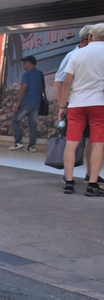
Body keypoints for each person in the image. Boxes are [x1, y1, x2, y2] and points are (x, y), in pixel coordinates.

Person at [58, 23, 104, 196]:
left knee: (72, 142)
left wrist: (63, 106)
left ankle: (69, 182)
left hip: (76, 104)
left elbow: (67, 82)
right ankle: (92, 185)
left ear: (90, 37)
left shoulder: (76, 54)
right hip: (99, 103)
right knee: (98, 143)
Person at [8, 55, 43, 153]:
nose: (23, 65)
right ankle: (32, 146)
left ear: (29, 63)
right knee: (33, 125)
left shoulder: (26, 75)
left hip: (27, 102)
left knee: (15, 120)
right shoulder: (39, 74)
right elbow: (41, 89)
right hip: (37, 103)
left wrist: (17, 103)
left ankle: (18, 142)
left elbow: (23, 88)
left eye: (24, 63)